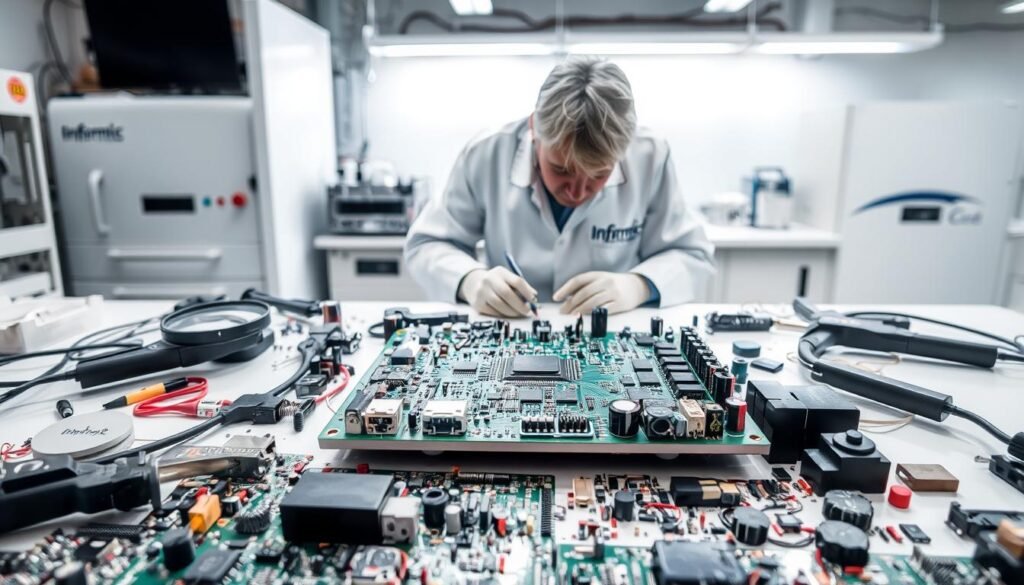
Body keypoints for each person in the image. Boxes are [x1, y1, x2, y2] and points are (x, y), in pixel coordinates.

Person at [404, 56, 714, 318]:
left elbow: (693, 255)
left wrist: (639, 285)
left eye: (598, 174)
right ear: (534, 130)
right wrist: (470, 281)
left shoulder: (650, 156)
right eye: (561, 169)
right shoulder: (487, 153)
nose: (577, 193)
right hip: (511, 328)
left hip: (609, 332)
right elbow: (426, 244)